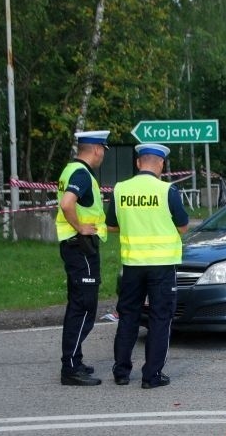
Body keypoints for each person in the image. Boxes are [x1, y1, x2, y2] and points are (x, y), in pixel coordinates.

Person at [106, 143, 190, 389]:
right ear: (161, 165)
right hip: (162, 266)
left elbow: (112, 225)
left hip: (132, 264)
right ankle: (151, 375)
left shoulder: (121, 189)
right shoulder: (167, 191)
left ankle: (121, 372)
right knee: (160, 318)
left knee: (128, 317)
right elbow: (183, 226)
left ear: (138, 163)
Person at [55, 130, 109, 386]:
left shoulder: (70, 170)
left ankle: (74, 360)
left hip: (75, 247)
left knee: (78, 304)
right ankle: (70, 368)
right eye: (103, 151)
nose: (103, 156)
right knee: (84, 307)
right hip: (81, 247)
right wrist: (81, 227)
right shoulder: (81, 174)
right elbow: (67, 204)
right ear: (97, 149)